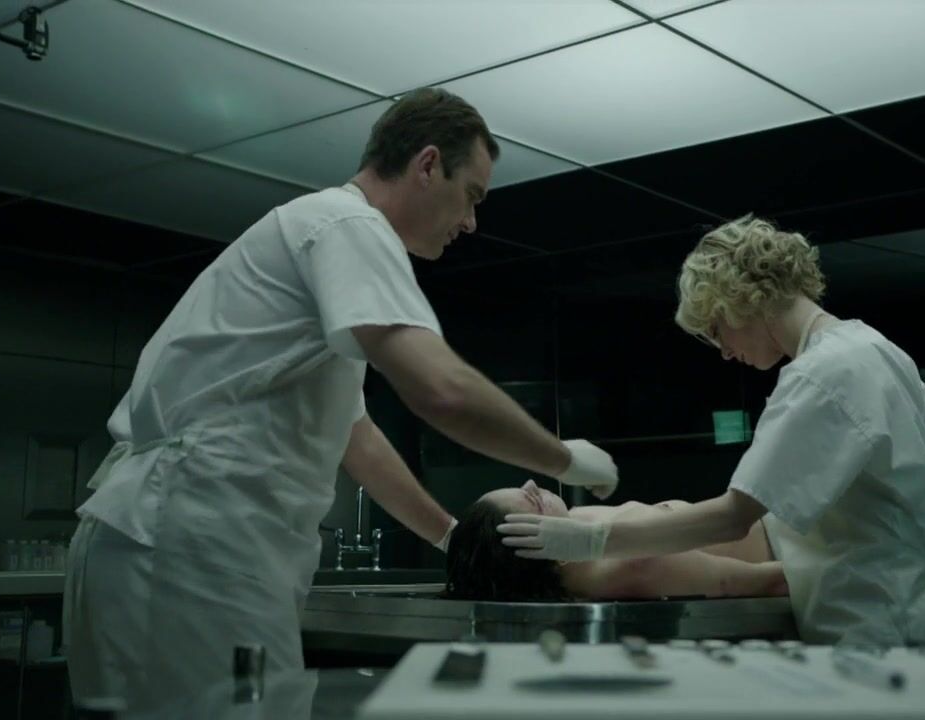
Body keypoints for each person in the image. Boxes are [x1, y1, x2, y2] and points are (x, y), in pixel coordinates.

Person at [63, 88, 619, 711]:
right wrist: (564, 460)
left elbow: (359, 440)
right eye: (472, 195)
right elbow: (442, 389)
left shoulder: (322, 246)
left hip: (180, 538)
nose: (471, 222)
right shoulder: (348, 225)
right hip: (191, 538)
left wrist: (451, 538)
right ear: (428, 164)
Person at [499, 215, 925, 647]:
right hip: (919, 607)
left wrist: (591, 541)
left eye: (716, 330)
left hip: (868, 627)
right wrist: (874, 527)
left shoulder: (815, 378)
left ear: (741, 299)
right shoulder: (874, 346)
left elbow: (733, 518)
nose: (725, 352)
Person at [453, 480, 925, 602]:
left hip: (781, 523)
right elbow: (764, 581)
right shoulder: (618, 568)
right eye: (528, 502)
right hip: (793, 550)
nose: (534, 486)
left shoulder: (578, 522)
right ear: (531, 549)